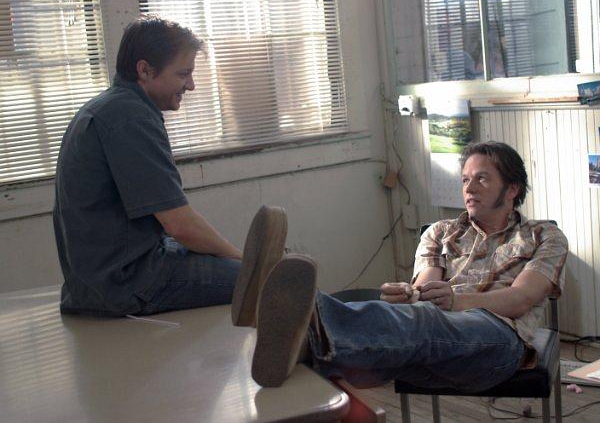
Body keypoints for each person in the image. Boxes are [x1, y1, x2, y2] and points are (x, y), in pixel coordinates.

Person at [236, 141, 568, 389]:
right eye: (465, 179)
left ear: (512, 189)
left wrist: (455, 301)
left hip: (499, 344)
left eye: (481, 179)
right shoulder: (441, 232)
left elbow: (520, 299)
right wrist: (409, 295)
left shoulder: (544, 236)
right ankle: (302, 342)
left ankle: (297, 313)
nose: (469, 188)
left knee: (422, 323)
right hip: (434, 343)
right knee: (385, 342)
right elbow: (424, 289)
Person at [53, 17, 286, 317]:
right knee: (277, 280)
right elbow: (181, 226)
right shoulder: (130, 118)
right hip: (127, 283)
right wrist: (247, 263)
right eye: (183, 74)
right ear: (145, 70)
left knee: (250, 269)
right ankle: (339, 336)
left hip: (99, 281)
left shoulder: (105, 107)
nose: (191, 85)